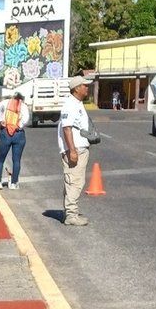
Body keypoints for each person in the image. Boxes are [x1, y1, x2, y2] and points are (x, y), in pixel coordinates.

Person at [59, 77, 94, 228]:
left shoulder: (77, 104)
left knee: (74, 180)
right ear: (76, 88)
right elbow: (67, 128)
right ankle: (71, 215)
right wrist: (72, 150)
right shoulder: (70, 105)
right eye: (84, 86)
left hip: (80, 147)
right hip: (75, 149)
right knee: (75, 181)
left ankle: (70, 211)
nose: (87, 88)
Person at [0, 89, 29, 188]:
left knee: (0, 160)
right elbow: (25, 119)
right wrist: (20, 125)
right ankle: (13, 183)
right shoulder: (24, 106)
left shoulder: (6, 103)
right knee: (16, 160)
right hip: (18, 134)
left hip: (6, 132)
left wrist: (1, 119)